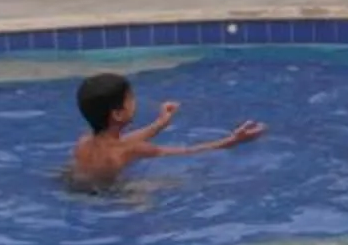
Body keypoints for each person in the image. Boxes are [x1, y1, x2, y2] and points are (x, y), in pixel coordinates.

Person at [68, 71, 263, 186]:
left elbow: (122, 142)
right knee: (168, 185)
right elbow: (187, 152)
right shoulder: (133, 150)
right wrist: (233, 140)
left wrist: (160, 124)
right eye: (130, 99)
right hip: (114, 195)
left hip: (78, 187)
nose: (135, 102)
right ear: (118, 114)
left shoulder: (83, 142)